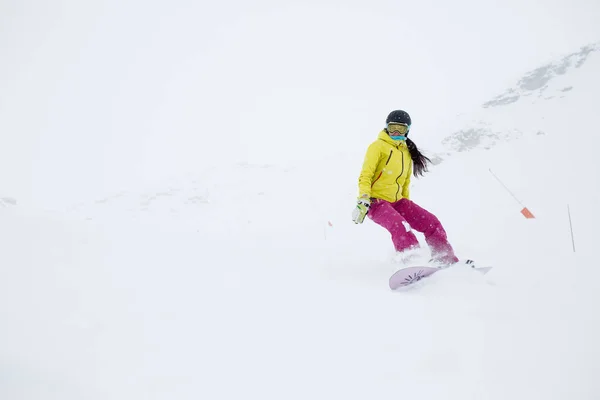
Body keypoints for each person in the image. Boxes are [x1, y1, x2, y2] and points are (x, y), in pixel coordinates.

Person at [352, 110, 459, 265]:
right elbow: (365, 175)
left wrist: (406, 206)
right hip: (375, 202)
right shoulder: (377, 147)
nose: (395, 131)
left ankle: (444, 258)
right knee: (401, 227)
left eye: (400, 129)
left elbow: (405, 182)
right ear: (386, 127)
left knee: (432, 223)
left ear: (407, 130)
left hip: (398, 202)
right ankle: (411, 263)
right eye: (392, 127)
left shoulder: (406, 152)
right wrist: (363, 200)